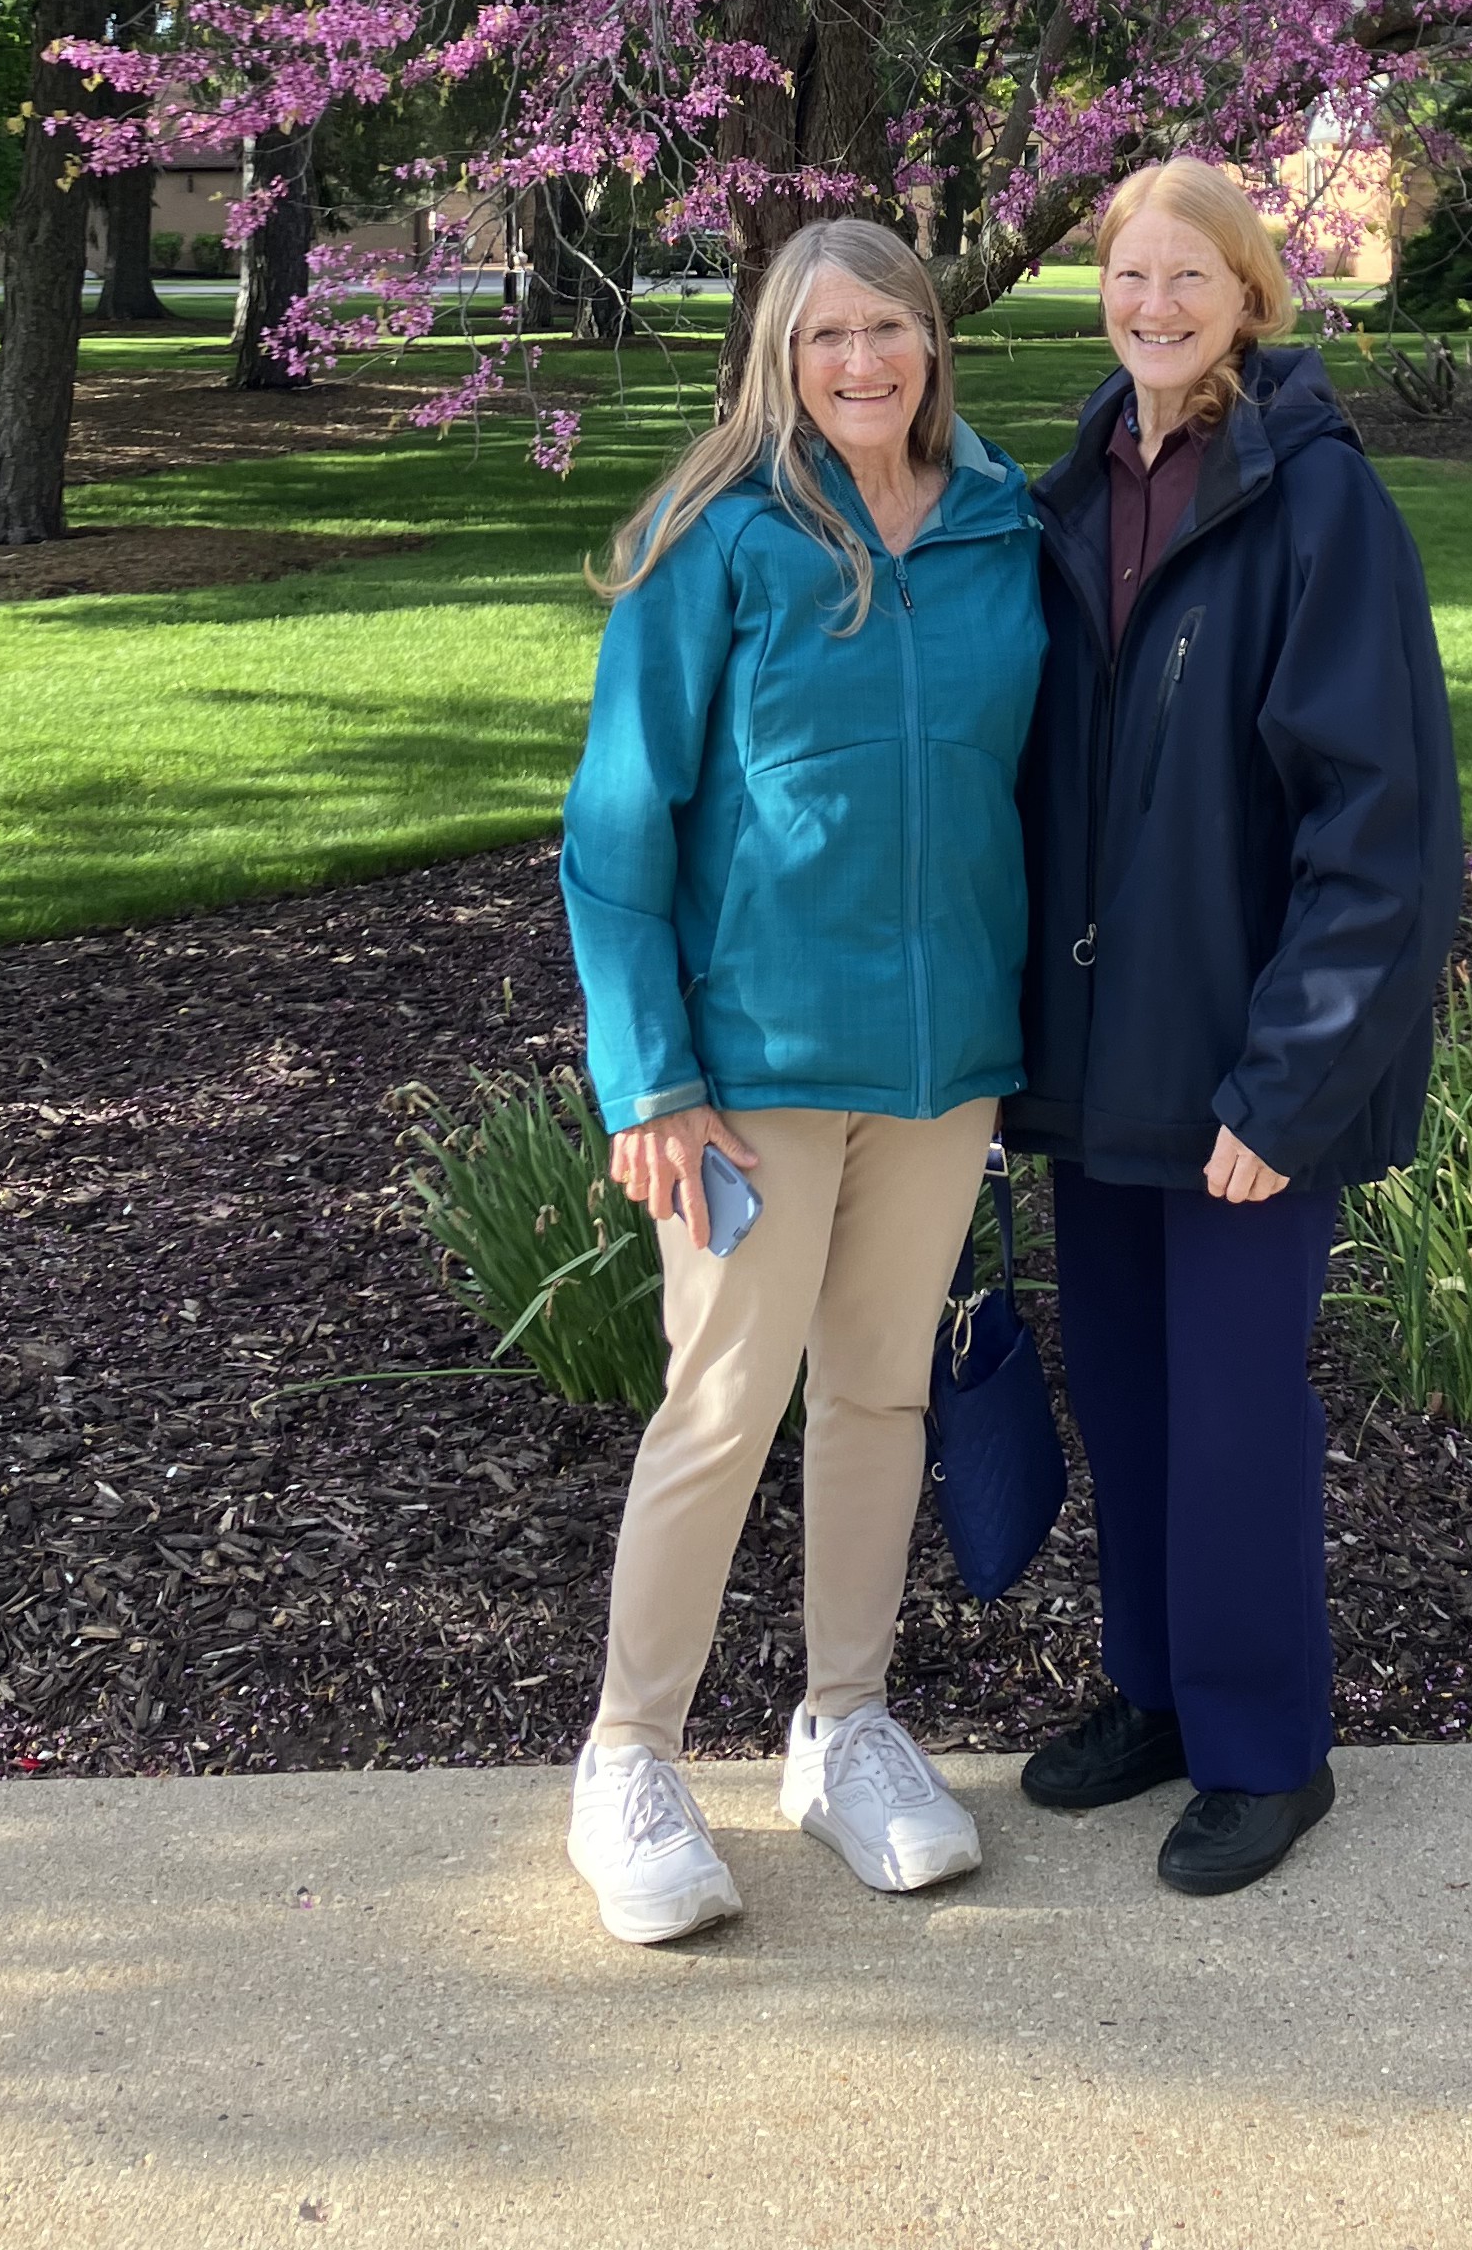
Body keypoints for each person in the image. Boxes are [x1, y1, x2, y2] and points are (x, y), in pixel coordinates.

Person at [556, 217, 1046, 1945]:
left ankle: (845, 1728)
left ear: (931, 342)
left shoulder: (1005, 530)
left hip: (944, 1063)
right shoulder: (720, 537)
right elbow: (618, 827)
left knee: (880, 1397)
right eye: (826, 334)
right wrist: (650, 1078)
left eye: (888, 328)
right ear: (779, 354)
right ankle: (628, 1755)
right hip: (752, 1065)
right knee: (721, 1403)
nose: (862, 362)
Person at [1007, 157, 1461, 1896]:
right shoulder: (1069, 495)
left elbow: (1377, 830)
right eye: (1130, 276)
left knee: (1233, 1413)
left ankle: (1267, 1747)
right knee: (1128, 1397)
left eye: (1190, 277)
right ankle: (1158, 1691)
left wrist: (1287, 1088)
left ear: (1251, 295)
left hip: (1246, 1070)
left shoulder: (1317, 502)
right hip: (1097, 1056)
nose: (1156, 306)